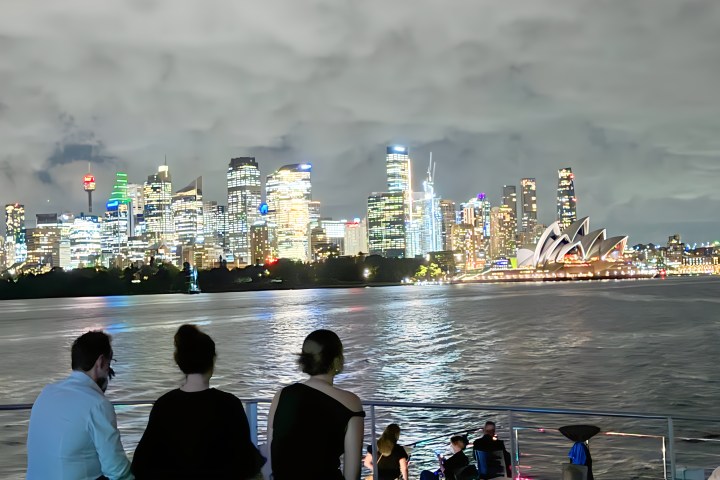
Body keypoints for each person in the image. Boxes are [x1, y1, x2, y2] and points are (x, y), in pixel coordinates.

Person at [131, 324, 264, 479]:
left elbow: (141, 464)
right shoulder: (229, 405)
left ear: (179, 362)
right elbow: (246, 464)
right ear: (212, 361)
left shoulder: (163, 405)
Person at [26, 330, 133, 480]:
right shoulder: (98, 405)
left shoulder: (46, 393)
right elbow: (117, 471)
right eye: (109, 363)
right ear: (101, 362)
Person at [268, 329, 365, 480]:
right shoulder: (351, 403)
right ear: (337, 361)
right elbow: (352, 474)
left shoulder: (281, 396)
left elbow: (272, 454)